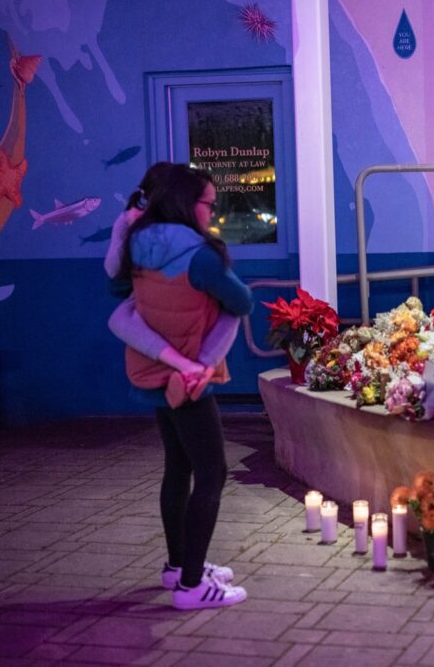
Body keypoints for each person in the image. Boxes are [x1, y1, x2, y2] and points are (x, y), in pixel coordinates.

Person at [115, 163, 252, 610]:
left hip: (155, 372)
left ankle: (178, 567)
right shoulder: (200, 254)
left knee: (178, 466)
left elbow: (118, 296)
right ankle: (194, 587)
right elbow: (242, 301)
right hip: (190, 374)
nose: (212, 213)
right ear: (186, 204)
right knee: (212, 472)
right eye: (209, 204)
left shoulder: (138, 245)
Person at [106, 162, 241, 408]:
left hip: (150, 323)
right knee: (230, 313)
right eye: (209, 205)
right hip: (182, 323)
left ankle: (190, 369)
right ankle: (199, 369)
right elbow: (240, 301)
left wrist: (125, 228)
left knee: (121, 318)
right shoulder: (192, 244)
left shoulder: (137, 230)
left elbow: (114, 277)